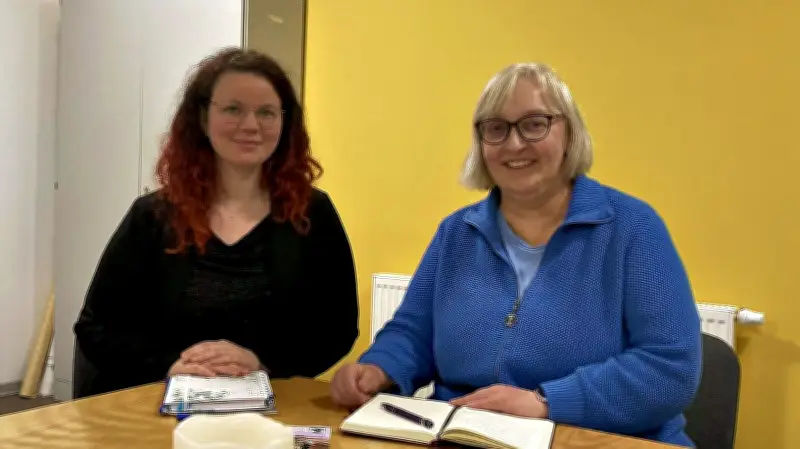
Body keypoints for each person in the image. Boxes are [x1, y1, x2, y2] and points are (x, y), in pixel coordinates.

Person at [330, 62, 702, 447]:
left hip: (600, 438)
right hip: (465, 434)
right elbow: (414, 334)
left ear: (570, 133)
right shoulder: (456, 233)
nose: (513, 144)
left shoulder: (633, 228)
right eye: (496, 128)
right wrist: (379, 368)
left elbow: (670, 368)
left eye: (534, 124)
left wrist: (546, 403)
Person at [73, 47, 359, 397]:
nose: (251, 126)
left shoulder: (312, 214)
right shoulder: (153, 216)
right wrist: (171, 366)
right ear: (202, 117)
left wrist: (261, 361)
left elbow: (337, 330)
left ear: (285, 123)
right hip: (160, 403)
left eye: (266, 112)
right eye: (233, 109)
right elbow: (96, 328)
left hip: (273, 406)